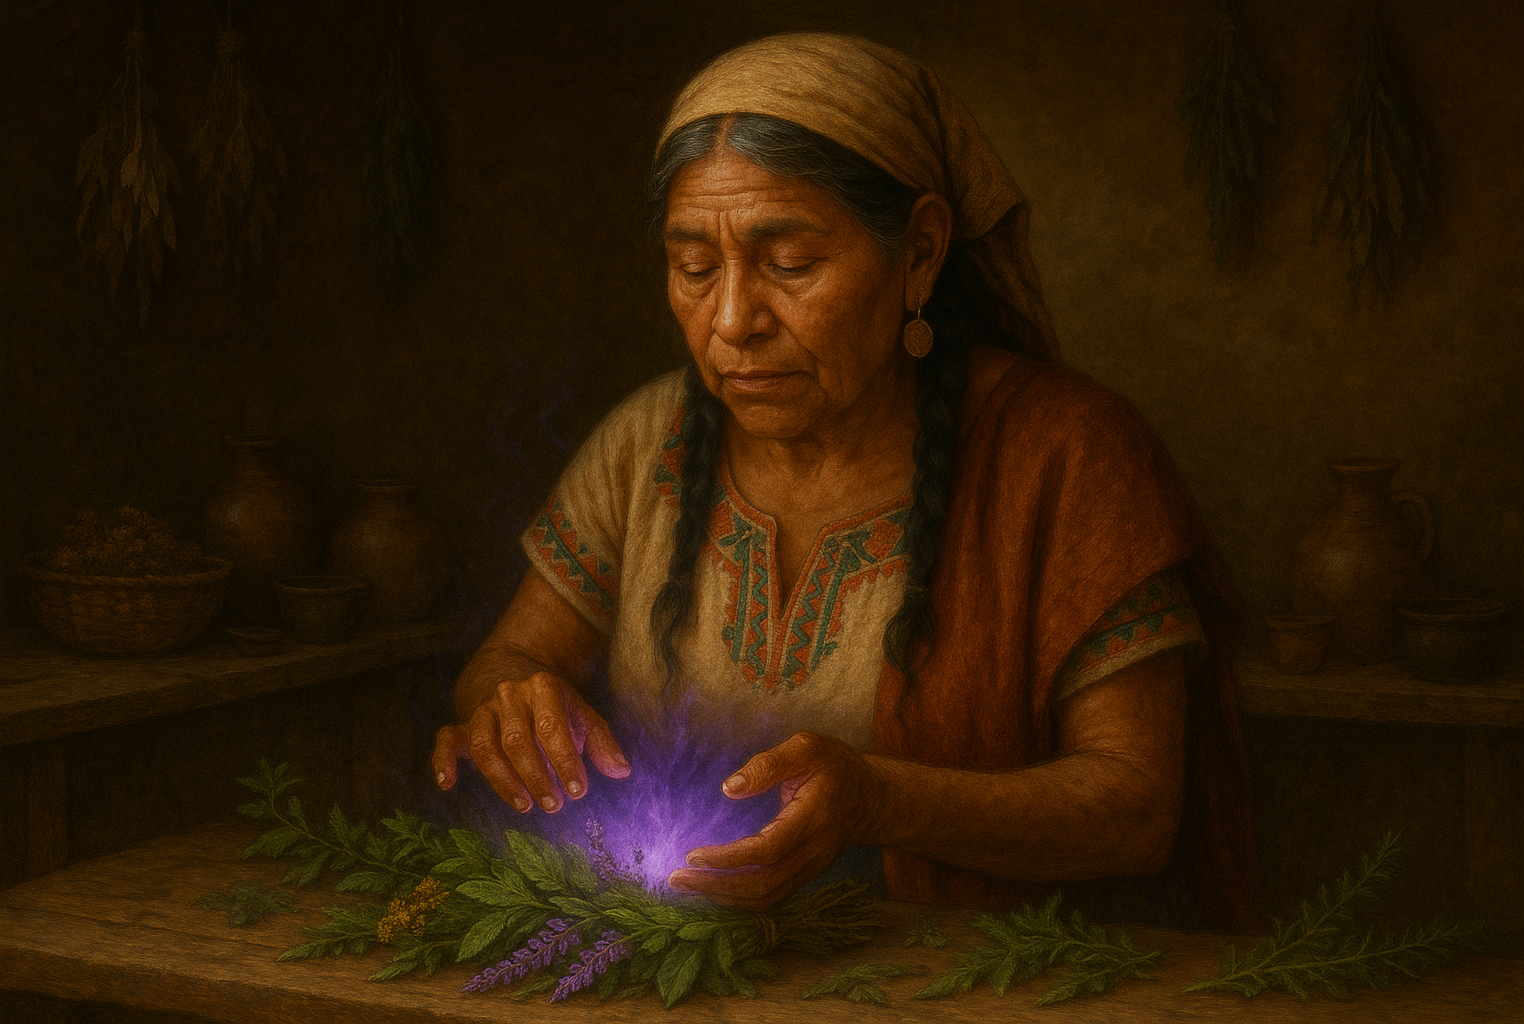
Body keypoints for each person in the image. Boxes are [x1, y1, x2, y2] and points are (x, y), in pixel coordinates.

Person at [433, 33, 1259, 930]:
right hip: (673, 962)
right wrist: (513, 707)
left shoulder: (1067, 454)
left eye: (790, 264)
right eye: (694, 269)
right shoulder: (648, 442)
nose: (734, 319)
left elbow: (1136, 810)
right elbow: (506, 664)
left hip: (980, 982)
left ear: (920, 251)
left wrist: (879, 801)